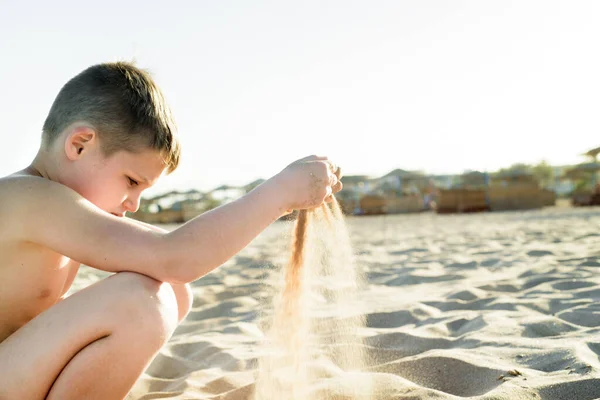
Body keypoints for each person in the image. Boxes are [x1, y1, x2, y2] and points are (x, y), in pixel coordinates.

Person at [0, 61, 342, 399]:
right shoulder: (28, 197)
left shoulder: (53, 202)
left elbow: (172, 252)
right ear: (79, 144)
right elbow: (175, 255)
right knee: (140, 304)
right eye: (131, 181)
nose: (133, 203)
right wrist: (279, 194)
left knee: (172, 291)